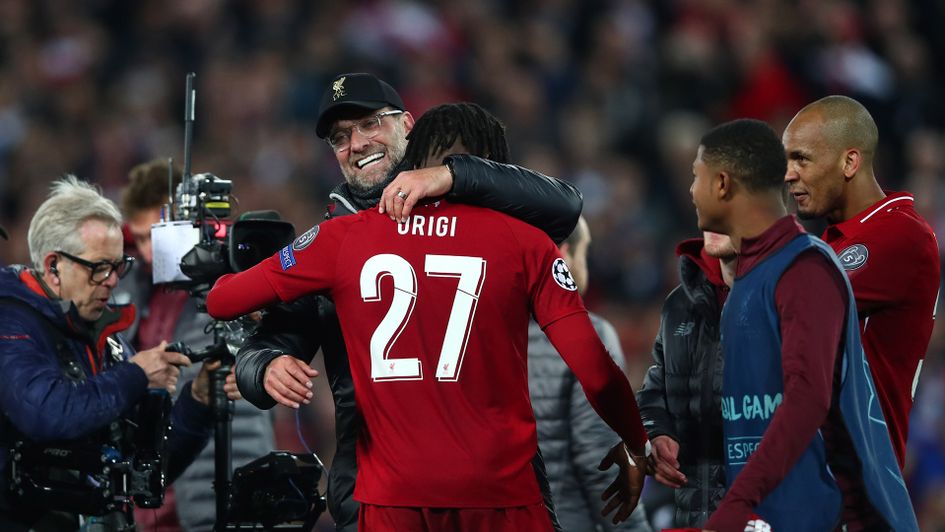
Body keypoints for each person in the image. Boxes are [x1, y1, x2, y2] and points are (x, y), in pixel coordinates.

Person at [208, 102, 649, 532]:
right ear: (496, 173)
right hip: (502, 495)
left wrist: (243, 275)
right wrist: (635, 442)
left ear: (413, 161)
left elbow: (222, 301)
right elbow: (597, 371)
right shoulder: (529, 244)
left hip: (391, 498)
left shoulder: (340, 238)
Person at [689, 119, 915, 531]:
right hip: (773, 516)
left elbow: (808, 397)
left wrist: (739, 501)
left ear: (723, 184)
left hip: (838, 516)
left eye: (696, 177)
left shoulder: (805, 268)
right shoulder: (751, 279)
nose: (691, 191)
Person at [0, 177, 228, 530]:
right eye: (99, 267)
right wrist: (135, 374)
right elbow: (47, 414)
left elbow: (144, 471)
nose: (112, 280)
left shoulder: (107, 339)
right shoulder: (10, 321)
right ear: (53, 266)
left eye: (119, 266)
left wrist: (198, 402)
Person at [782, 95, 941, 469]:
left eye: (802, 159)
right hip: (819, 469)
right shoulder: (832, 242)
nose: (789, 174)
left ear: (849, 162)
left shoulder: (901, 234)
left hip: (857, 475)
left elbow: (794, 309)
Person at [116, 159, 274, 532]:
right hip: (157, 494)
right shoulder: (131, 291)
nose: (148, 252)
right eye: (139, 239)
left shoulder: (231, 281)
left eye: (156, 236)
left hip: (222, 475)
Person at [528, 216, 652, 532]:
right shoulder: (590, 335)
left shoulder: (480, 333)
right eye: (584, 252)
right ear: (563, 256)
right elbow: (600, 461)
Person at [636, 231, 734, 528]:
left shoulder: (788, 291)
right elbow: (655, 392)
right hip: (691, 513)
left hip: (765, 513)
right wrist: (657, 434)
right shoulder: (679, 303)